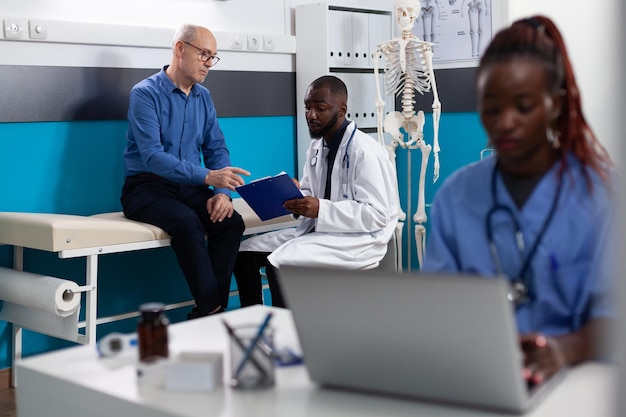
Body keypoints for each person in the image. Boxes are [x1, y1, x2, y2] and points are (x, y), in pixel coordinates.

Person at [422, 16, 616, 387]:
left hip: (580, 380)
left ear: (555, 104)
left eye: (523, 106)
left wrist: (564, 348)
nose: (505, 122)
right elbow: (439, 308)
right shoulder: (456, 197)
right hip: (478, 379)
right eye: (491, 108)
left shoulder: (603, 196)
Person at [234, 75, 399, 308]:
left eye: (320, 108)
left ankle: (288, 335)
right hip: (317, 231)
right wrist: (294, 196)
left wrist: (321, 209)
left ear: (342, 110)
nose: (311, 115)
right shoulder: (316, 147)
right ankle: (255, 324)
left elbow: (377, 215)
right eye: (307, 107)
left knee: (280, 262)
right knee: (243, 253)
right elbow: (311, 191)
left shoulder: (365, 151)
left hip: (357, 240)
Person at [121, 23, 250, 319]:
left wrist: (221, 193)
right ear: (180, 48)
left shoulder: (203, 97)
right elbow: (153, 157)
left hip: (189, 188)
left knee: (230, 223)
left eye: (213, 57)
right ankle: (213, 312)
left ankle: (206, 312)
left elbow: (216, 149)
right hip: (146, 188)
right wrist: (207, 177)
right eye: (204, 54)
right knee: (186, 222)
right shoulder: (145, 94)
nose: (209, 63)